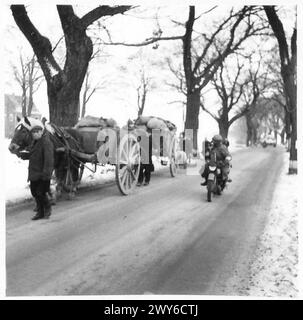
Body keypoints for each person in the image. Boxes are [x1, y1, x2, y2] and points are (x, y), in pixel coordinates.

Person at [19, 121, 54, 220]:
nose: (34, 134)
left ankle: (47, 209)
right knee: (34, 193)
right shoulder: (35, 142)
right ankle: (40, 212)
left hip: (43, 174)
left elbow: (49, 160)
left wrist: (46, 174)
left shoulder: (46, 143)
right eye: (33, 133)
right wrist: (21, 154)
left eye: (36, 132)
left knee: (40, 193)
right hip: (34, 173)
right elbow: (31, 154)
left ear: (41, 132)